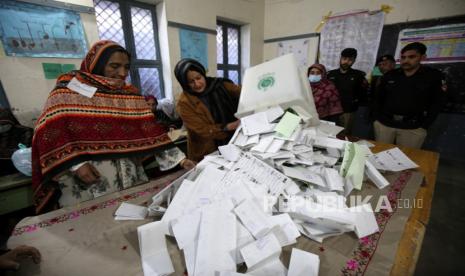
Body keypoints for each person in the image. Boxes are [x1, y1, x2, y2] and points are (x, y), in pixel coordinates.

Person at [32, 40, 193, 213]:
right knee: (94, 223)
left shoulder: (129, 94)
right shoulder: (67, 92)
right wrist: (77, 165)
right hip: (88, 175)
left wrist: (180, 160)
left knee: (130, 215)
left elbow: (152, 131)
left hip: (128, 170)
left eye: (126, 67)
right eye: (114, 66)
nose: (122, 73)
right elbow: (49, 133)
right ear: (97, 65)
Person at [373, 42, 443, 148]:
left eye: (411, 57)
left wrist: (424, 125)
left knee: (406, 159)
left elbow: (437, 102)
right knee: (380, 153)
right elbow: (378, 98)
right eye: (403, 57)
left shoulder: (433, 76)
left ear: (422, 57)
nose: (406, 60)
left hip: (413, 127)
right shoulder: (391, 75)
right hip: (385, 124)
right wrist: (377, 118)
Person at [175, 59, 241, 162]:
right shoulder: (184, 103)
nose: (197, 84)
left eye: (198, 78)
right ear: (184, 83)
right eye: (191, 82)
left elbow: (244, 92)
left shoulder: (220, 85)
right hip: (206, 149)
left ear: (203, 74)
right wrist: (228, 126)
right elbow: (202, 129)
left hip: (232, 140)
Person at [327, 48, 368, 135]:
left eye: (350, 60)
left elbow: (363, 93)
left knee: (344, 134)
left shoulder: (359, 75)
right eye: (344, 59)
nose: (346, 62)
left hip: (348, 111)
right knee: (330, 133)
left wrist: (355, 103)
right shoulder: (331, 74)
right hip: (331, 111)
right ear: (340, 58)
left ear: (354, 61)